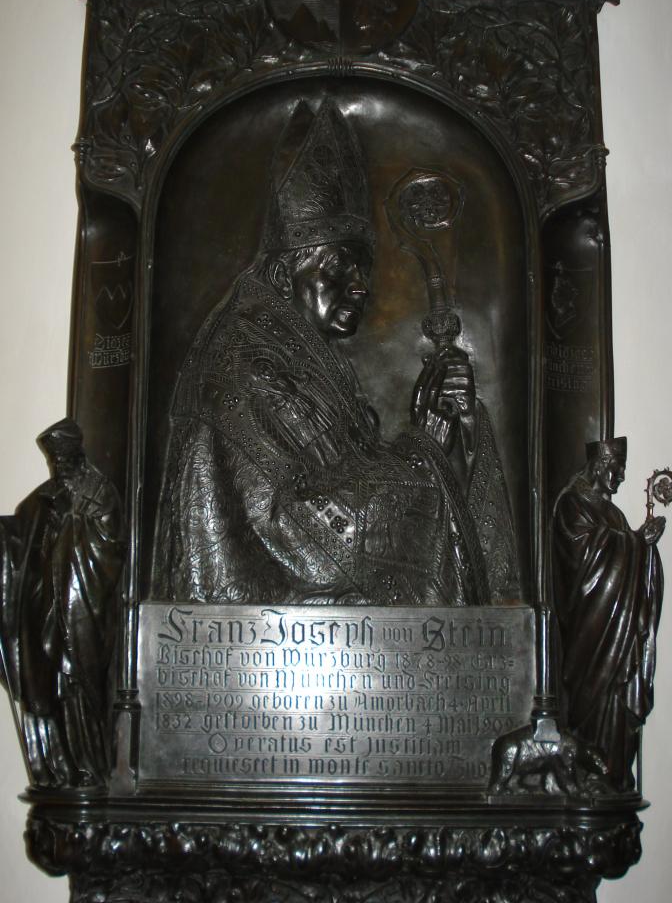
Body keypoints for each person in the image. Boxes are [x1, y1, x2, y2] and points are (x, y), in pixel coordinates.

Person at [152, 98, 518, 606]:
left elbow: (347, 481)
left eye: (363, 269)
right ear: (282, 275)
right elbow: (311, 537)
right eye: (339, 266)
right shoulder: (244, 362)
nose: (361, 285)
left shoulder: (306, 361)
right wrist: (426, 450)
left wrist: (451, 425)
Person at [0, 418, 125, 787]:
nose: (61, 468)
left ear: (79, 455)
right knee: (46, 686)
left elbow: (111, 545)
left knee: (78, 684)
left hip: (80, 607)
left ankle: (89, 764)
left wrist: (72, 521)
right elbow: (20, 542)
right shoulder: (41, 498)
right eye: (56, 462)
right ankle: (57, 767)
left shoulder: (98, 493)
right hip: (43, 605)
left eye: (67, 460)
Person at [553, 437, 664, 791]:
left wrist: (643, 548)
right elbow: (584, 561)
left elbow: (625, 558)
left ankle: (614, 774)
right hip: (590, 637)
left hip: (620, 636)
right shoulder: (572, 504)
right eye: (618, 469)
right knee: (592, 703)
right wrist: (636, 542)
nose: (621, 477)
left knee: (618, 700)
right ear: (600, 465)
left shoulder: (613, 514)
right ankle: (590, 773)